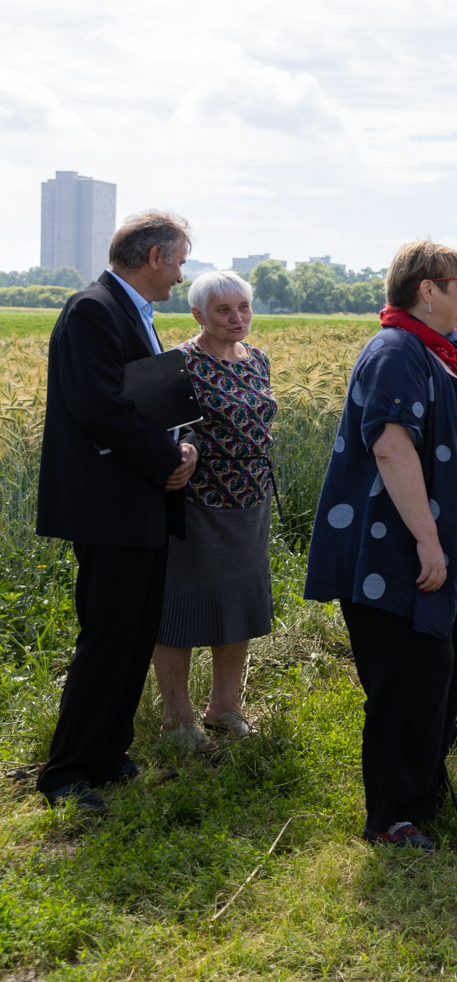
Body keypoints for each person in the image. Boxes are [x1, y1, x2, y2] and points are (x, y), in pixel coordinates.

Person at [303, 240, 457, 850]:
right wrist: (429, 541)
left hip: (430, 542)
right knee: (405, 680)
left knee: (433, 675)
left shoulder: (436, 349)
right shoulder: (396, 350)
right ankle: (389, 818)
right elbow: (390, 446)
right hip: (394, 546)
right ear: (426, 290)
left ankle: (419, 795)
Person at [35, 211, 200, 811]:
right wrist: (167, 458)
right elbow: (99, 407)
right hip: (110, 506)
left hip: (142, 501)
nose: (181, 275)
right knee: (108, 637)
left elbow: (154, 402)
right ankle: (66, 772)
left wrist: (185, 446)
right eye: (179, 261)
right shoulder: (93, 310)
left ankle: (107, 753)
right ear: (155, 256)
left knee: (135, 634)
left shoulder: (132, 312)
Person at [152, 270, 276, 754]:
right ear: (198, 315)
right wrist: (187, 447)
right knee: (181, 609)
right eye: (224, 310)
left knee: (239, 604)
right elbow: (166, 430)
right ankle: (177, 718)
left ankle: (225, 707)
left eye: (243, 307)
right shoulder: (179, 363)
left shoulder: (258, 359)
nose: (237, 317)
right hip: (198, 503)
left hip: (251, 501)